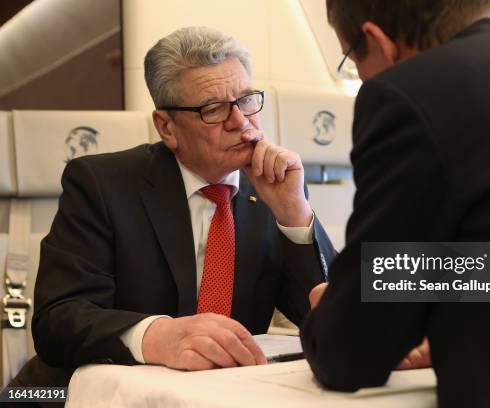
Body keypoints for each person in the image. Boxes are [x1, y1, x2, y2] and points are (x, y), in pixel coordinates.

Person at [301, 1, 490, 406]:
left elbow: (348, 354)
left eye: (350, 58)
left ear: (377, 41)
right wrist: (449, 296)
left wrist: (339, 306)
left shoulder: (409, 92)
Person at [12, 26, 335, 393]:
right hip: (72, 395)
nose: (240, 122)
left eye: (246, 100)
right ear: (167, 127)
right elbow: (58, 321)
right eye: (213, 109)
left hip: (217, 394)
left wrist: (294, 214)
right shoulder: (100, 184)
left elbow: (335, 319)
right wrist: (156, 336)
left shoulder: (274, 188)